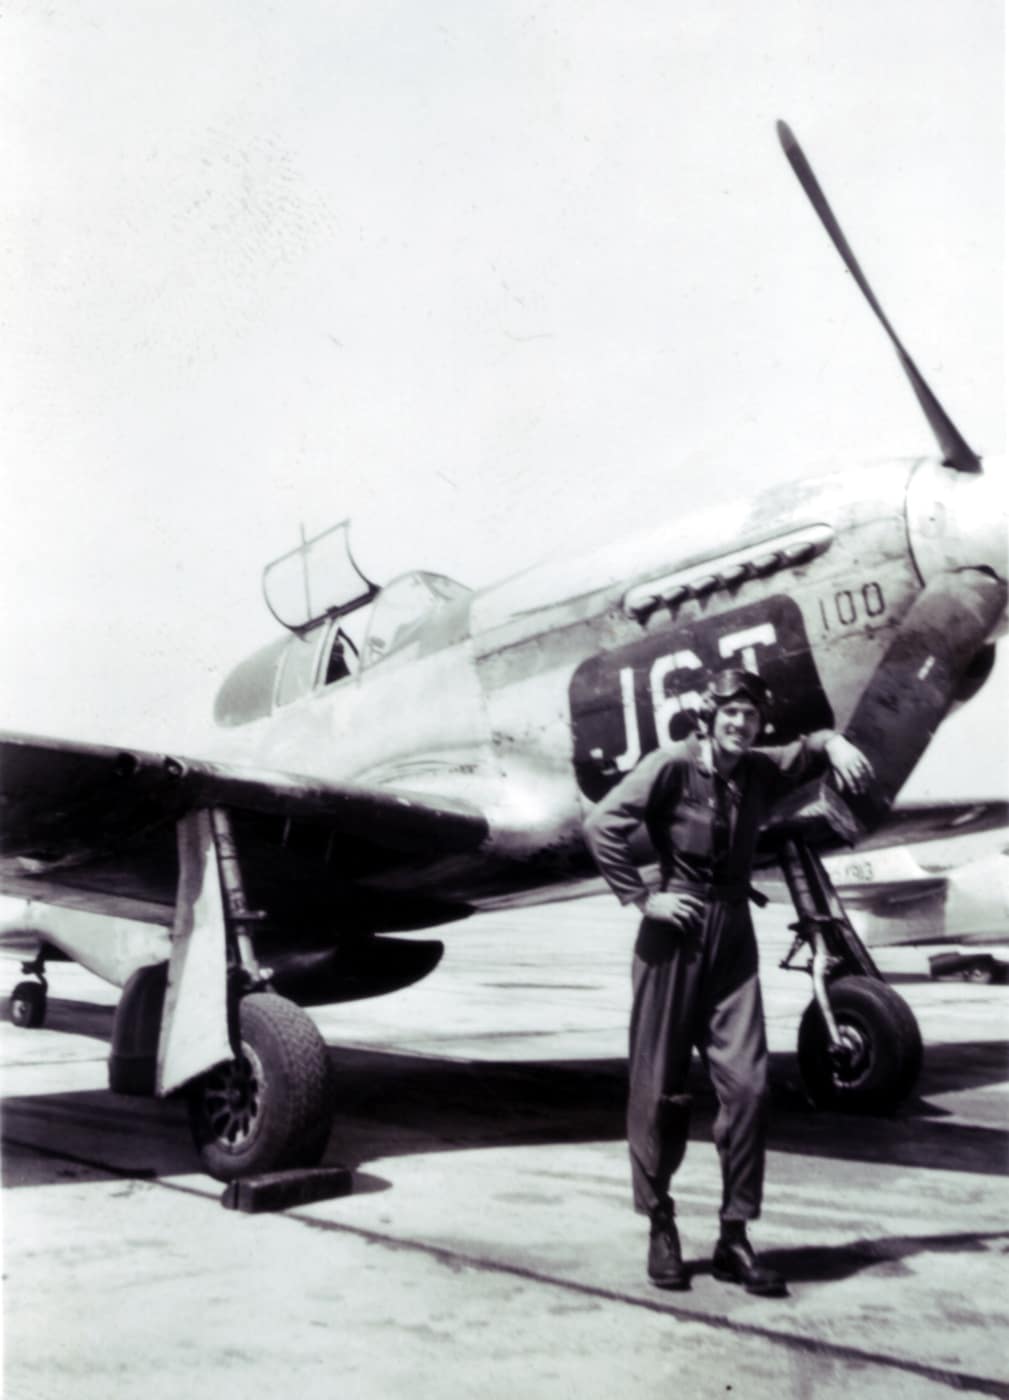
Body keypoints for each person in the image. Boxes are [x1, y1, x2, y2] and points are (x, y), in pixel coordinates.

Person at [583, 666, 873, 1297]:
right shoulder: (672, 765)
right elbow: (601, 826)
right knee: (658, 1093)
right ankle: (660, 1223)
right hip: (673, 934)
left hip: (733, 936)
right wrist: (642, 898)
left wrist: (837, 743)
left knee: (749, 1089)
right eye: (730, 713)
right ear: (709, 714)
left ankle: (733, 1237)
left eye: (750, 714)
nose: (740, 723)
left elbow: (813, 746)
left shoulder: (759, 769)